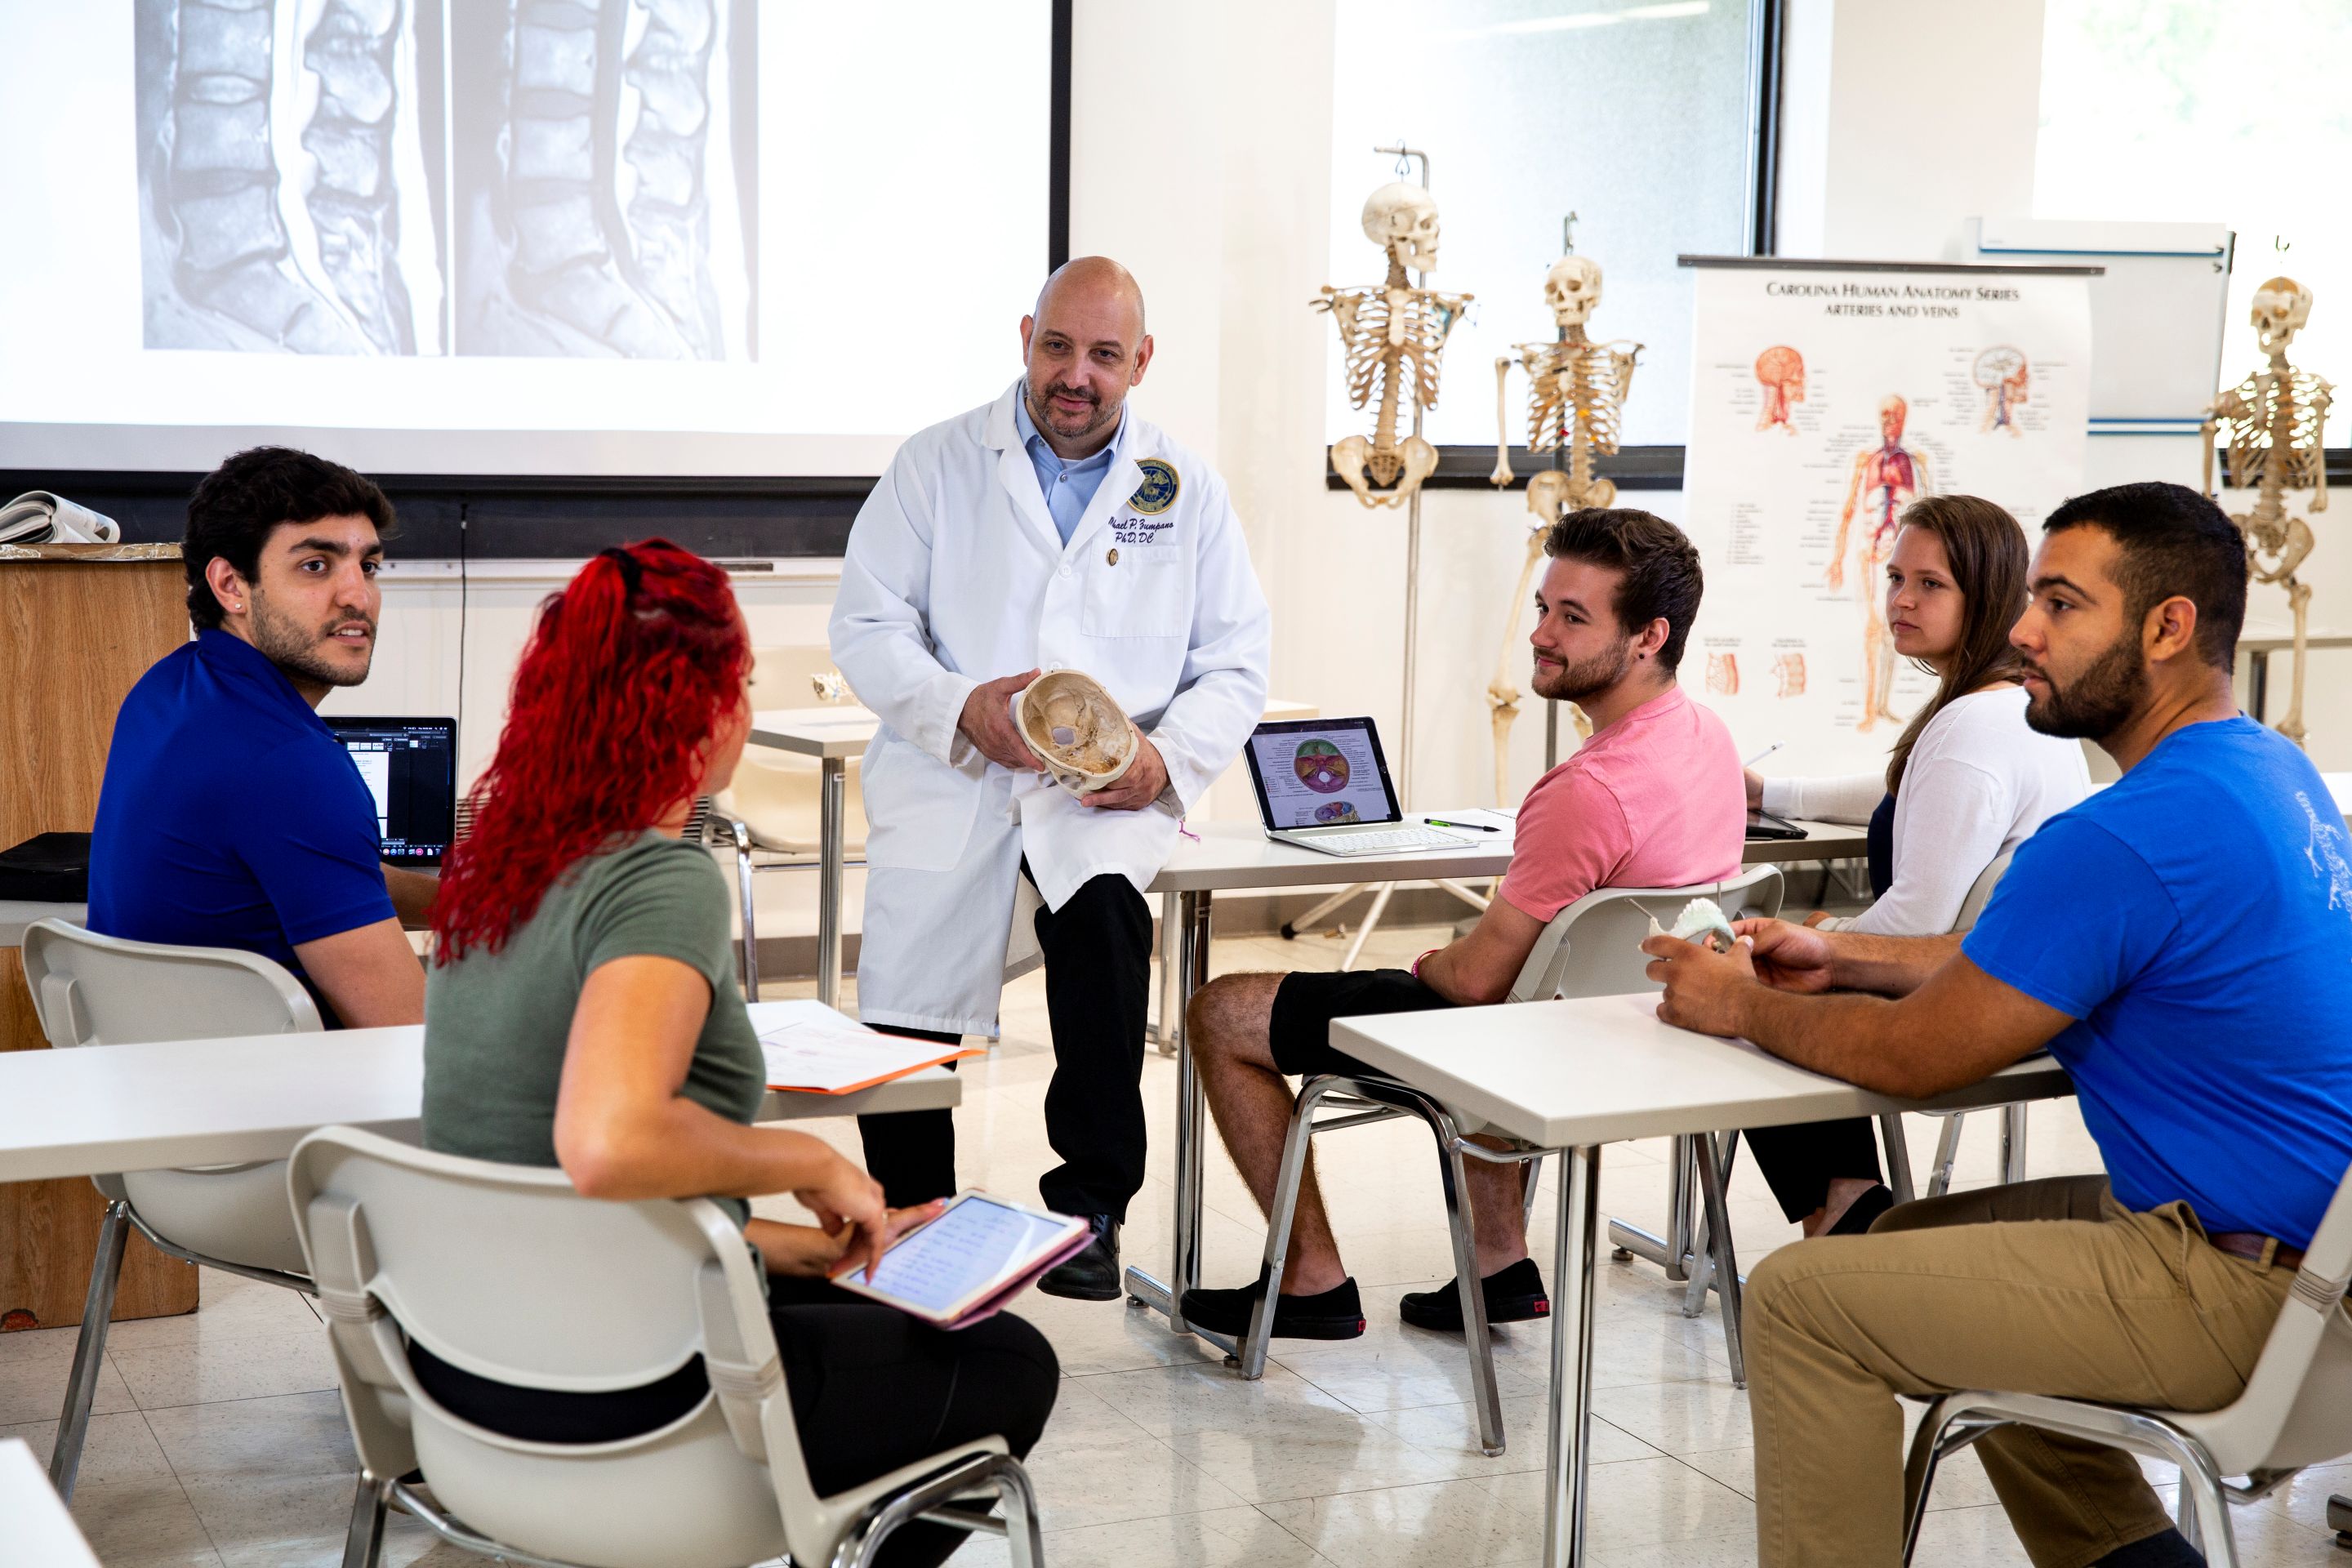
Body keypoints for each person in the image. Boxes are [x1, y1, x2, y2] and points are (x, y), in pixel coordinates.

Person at [1642, 480, 2352, 1568]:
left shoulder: (2123, 833)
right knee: (1901, 1250)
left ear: (2167, 629)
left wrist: (1735, 1002)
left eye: (2062, 606)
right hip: (2305, 1261)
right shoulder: (2267, 771)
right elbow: (2034, 964)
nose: (2021, 630)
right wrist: (1847, 954)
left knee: (1797, 1299)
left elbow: (1915, 1060)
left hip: (2251, 1289)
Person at [420, 543, 1056, 1568]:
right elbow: (610, 1145)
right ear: (704, 707)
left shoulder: (497, 865)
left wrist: (828, 1251)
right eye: (746, 682)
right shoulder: (657, 884)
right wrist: (812, 1162)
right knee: (1006, 1362)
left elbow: (565, 1199)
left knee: (881, 1289)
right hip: (627, 1409)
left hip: (467, 1378)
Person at [1178, 509, 1746, 1341]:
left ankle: (1310, 1283)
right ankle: (1499, 1265)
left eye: (1572, 617)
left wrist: (1428, 963)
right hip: (1642, 1031)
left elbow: (1476, 983)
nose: (1541, 634)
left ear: (1648, 637)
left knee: (1224, 1010)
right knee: (1521, 982)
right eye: (1545, 607)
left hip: (1542, 1055)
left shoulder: (1585, 790)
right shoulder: (1709, 741)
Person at [830, 256, 1272, 1298]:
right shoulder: (937, 464)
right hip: (957, 775)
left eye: (1104, 356)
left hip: (1101, 794)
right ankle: (910, 1219)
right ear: (1027, 336)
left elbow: (1238, 658)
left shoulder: (1184, 488)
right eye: (1058, 347)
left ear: (1141, 363)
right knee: (909, 1004)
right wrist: (960, 707)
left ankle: (1093, 1205)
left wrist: (1166, 760)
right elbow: (867, 623)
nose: (1076, 376)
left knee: (1106, 929)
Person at [1743, 495, 2089, 1237]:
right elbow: (1915, 786)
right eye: (1896, 577)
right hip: (2020, 984)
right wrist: (1773, 791)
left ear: (1989, 594)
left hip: (1957, 997)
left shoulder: (1972, 727)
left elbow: (1916, 922)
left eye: (1930, 584)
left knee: (1745, 999)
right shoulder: (2014, 705)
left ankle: (1843, 1209)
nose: (1901, 599)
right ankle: (1849, 1201)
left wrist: (1825, 938)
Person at [88, 445, 436, 1027]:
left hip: (165, 1085)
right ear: (231, 585)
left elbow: (316, 868)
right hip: (299, 1104)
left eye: (368, 566)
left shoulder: (167, 690)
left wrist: (476, 905)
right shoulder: (291, 765)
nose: (358, 596)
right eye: (316, 566)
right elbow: (410, 1039)